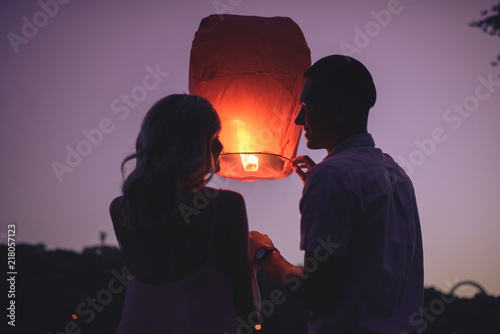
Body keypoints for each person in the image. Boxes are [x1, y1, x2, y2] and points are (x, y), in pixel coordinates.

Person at [249, 55, 424, 333]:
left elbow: (317, 293)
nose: (298, 119)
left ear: (339, 109)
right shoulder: (397, 174)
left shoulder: (332, 177)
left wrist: (263, 253)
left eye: (307, 107)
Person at [110, 94, 258, 334]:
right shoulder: (226, 206)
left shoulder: (121, 210)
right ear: (190, 145)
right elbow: (248, 315)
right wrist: (255, 261)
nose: (221, 146)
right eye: (214, 137)